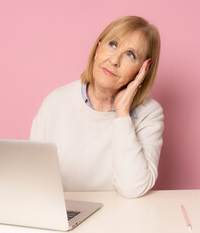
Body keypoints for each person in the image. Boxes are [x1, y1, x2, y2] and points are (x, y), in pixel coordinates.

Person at [30, 16, 163, 198]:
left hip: (117, 220)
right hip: (61, 214)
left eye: (130, 54)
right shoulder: (55, 102)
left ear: (142, 70)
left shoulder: (149, 113)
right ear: (97, 49)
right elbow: (33, 178)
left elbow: (133, 189)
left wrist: (122, 113)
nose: (115, 60)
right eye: (113, 44)